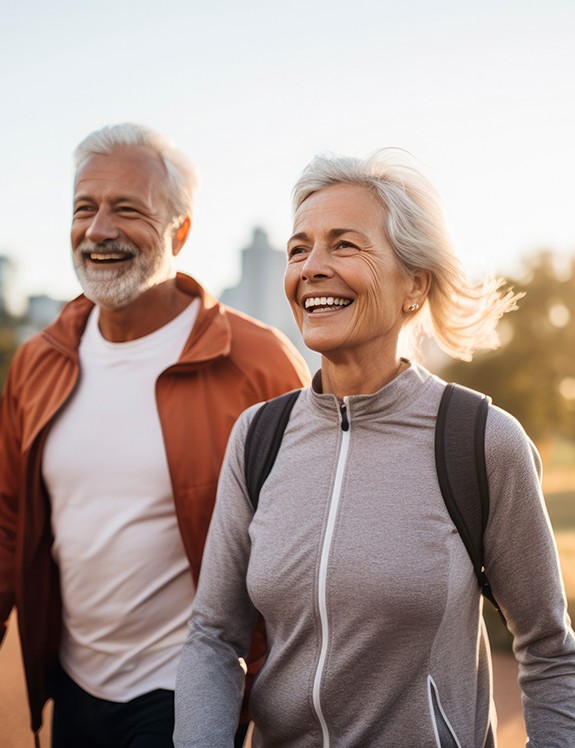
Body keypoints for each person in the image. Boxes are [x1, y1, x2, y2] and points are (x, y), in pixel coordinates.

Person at [174, 149, 575, 747]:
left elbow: (548, 650)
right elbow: (214, 635)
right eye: (298, 248)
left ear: (414, 283)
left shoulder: (480, 440)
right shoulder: (257, 437)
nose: (311, 266)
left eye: (344, 245)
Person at [0, 123, 311, 748]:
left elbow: (306, 547)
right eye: (84, 208)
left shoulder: (258, 361)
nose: (99, 230)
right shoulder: (39, 361)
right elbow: (8, 523)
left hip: (190, 694)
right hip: (72, 686)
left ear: (182, 230)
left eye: (127, 209)